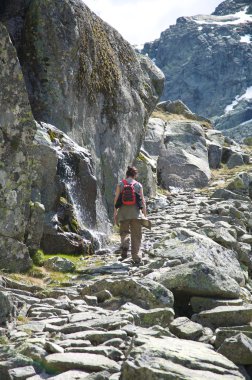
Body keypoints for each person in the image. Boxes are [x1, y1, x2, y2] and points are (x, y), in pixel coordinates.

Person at [113, 166, 147, 264]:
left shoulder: (121, 184)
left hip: (123, 213)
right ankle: (136, 257)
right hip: (136, 214)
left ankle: (125, 244)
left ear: (126, 174)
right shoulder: (138, 185)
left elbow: (116, 199)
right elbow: (143, 201)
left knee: (124, 232)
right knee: (136, 235)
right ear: (135, 175)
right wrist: (144, 215)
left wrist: (115, 213)